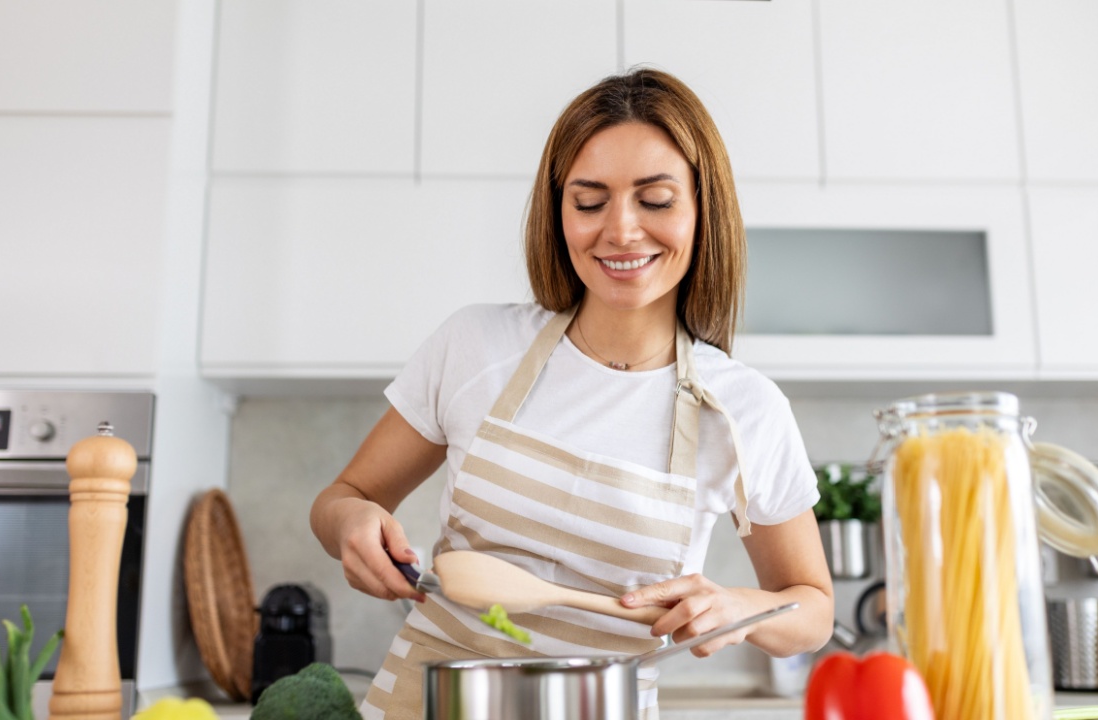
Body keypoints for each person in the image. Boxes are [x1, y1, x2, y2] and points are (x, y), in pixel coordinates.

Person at [310, 67, 834, 720]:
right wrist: (352, 526)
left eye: (655, 199)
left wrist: (741, 609)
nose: (619, 230)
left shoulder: (744, 411)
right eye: (589, 201)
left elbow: (811, 607)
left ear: (703, 208)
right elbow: (343, 499)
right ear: (558, 213)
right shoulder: (475, 346)